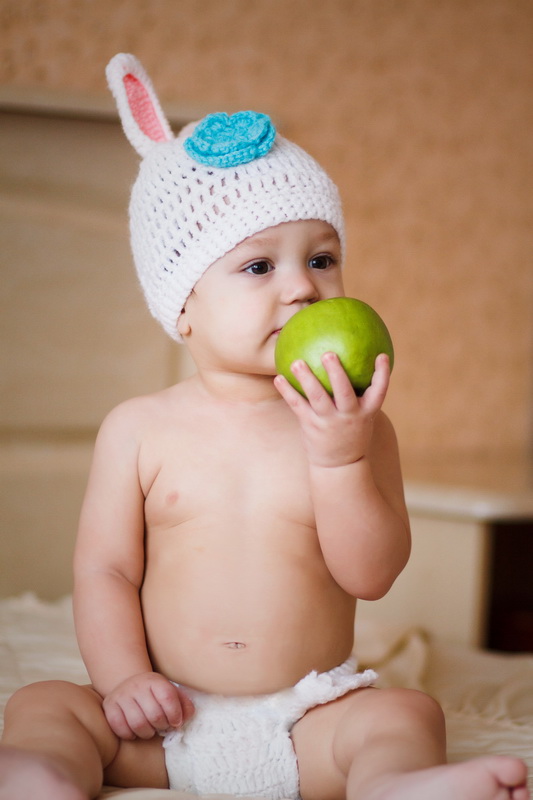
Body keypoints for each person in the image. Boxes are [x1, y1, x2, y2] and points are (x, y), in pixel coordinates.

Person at [0, 53, 528, 800]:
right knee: (45, 705)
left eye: (322, 259)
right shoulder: (138, 429)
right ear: (182, 305)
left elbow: (371, 577)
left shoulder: (359, 426)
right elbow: (105, 572)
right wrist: (124, 682)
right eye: (258, 267)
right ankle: (42, 773)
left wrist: (340, 460)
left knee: (405, 712)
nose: (302, 287)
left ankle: (396, 784)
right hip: (160, 724)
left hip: (305, 720)